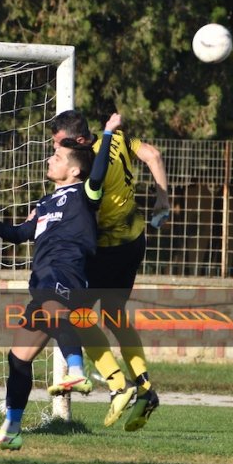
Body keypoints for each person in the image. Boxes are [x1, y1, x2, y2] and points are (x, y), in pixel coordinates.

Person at [0, 113, 120, 453]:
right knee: (18, 357)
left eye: (58, 157)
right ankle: (12, 428)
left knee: (56, 311)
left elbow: (97, 171)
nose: (50, 159)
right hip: (42, 282)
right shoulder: (44, 203)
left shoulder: (85, 193)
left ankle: (77, 370)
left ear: (75, 170)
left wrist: (108, 133)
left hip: (66, 275)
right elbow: (22, 234)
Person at [49, 109, 170, 431]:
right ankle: (144, 388)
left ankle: (118, 385)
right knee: (115, 316)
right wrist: (163, 198)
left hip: (105, 248)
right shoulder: (118, 138)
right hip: (134, 240)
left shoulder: (88, 165)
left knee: (77, 316)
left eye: (59, 147)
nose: (55, 152)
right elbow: (153, 155)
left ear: (76, 141)